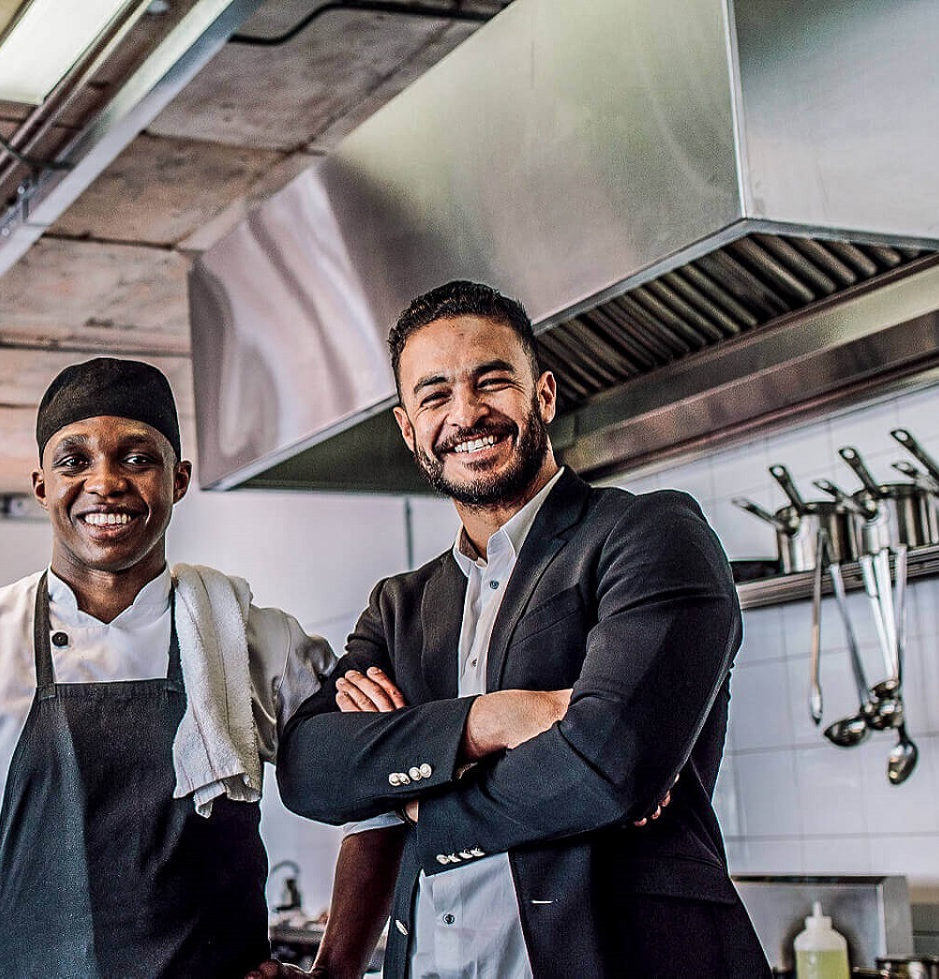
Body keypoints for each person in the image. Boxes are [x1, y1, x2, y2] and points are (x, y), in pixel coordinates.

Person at [0, 358, 403, 979]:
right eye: (75, 461)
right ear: (41, 486)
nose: (105, 482)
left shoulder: (256, 639)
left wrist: (336, 972)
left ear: (179, 480)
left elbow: (377, 794)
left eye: (137, 458)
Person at [277, 281, 766, 979]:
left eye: (492, 381)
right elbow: (309, 767)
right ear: (409, 428)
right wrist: (491, 721)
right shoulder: (400, 607)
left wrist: (421, 801)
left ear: (543, 394)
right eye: (435, 395)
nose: (466, 413)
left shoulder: (649, 534)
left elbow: (608, 761)